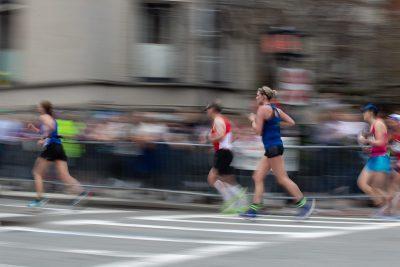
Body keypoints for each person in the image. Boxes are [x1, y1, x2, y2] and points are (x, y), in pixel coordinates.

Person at [241, 86, 315, 219]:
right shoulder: (276, 110)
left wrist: (253, 120)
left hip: (272, 147)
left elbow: (258, 131)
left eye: (257, 95)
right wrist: (274, 125)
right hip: (274, 147)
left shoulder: (262, 109)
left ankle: (304, 205)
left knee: (282, 179)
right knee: (257, 177)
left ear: (264, 97)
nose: (256, 97)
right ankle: (254, 209)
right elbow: (291, 122)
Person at [27, 101, 89, 207]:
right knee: (64, 175)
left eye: (39, 106)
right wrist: (35, 129)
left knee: (37, 172)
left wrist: (44, 139)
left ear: (43, 108)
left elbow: (50, 128)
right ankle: (82, 192)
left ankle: (39, 199)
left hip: (51, 147)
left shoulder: (43, 116)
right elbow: (50, 130)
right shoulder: (51, 117)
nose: (37, 107)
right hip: (58, 147)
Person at [205, 102, 247, 213]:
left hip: (223, 153)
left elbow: (221, 135)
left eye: (207, 109)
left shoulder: (218, 120)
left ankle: (232, 203)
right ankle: (238, 201)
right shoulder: (225, 119)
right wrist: (224, 145)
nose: (207, 111)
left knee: (212, 178)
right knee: (227, 179)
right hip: (225, 152)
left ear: (213, 109)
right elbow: (236, 134)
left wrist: (210, 138)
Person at [357, 104, 391, 215]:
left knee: (377, 188)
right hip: (374, 158)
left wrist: (365, 141)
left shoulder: (378, 123)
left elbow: (382, 143)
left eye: (364, 112)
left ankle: (390, 208)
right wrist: (367, 147)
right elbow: (376, 144)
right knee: (362, 183)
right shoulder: (372, 126)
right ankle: (384, 207)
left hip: (381, 159)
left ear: (370, 112)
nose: (363, 114)